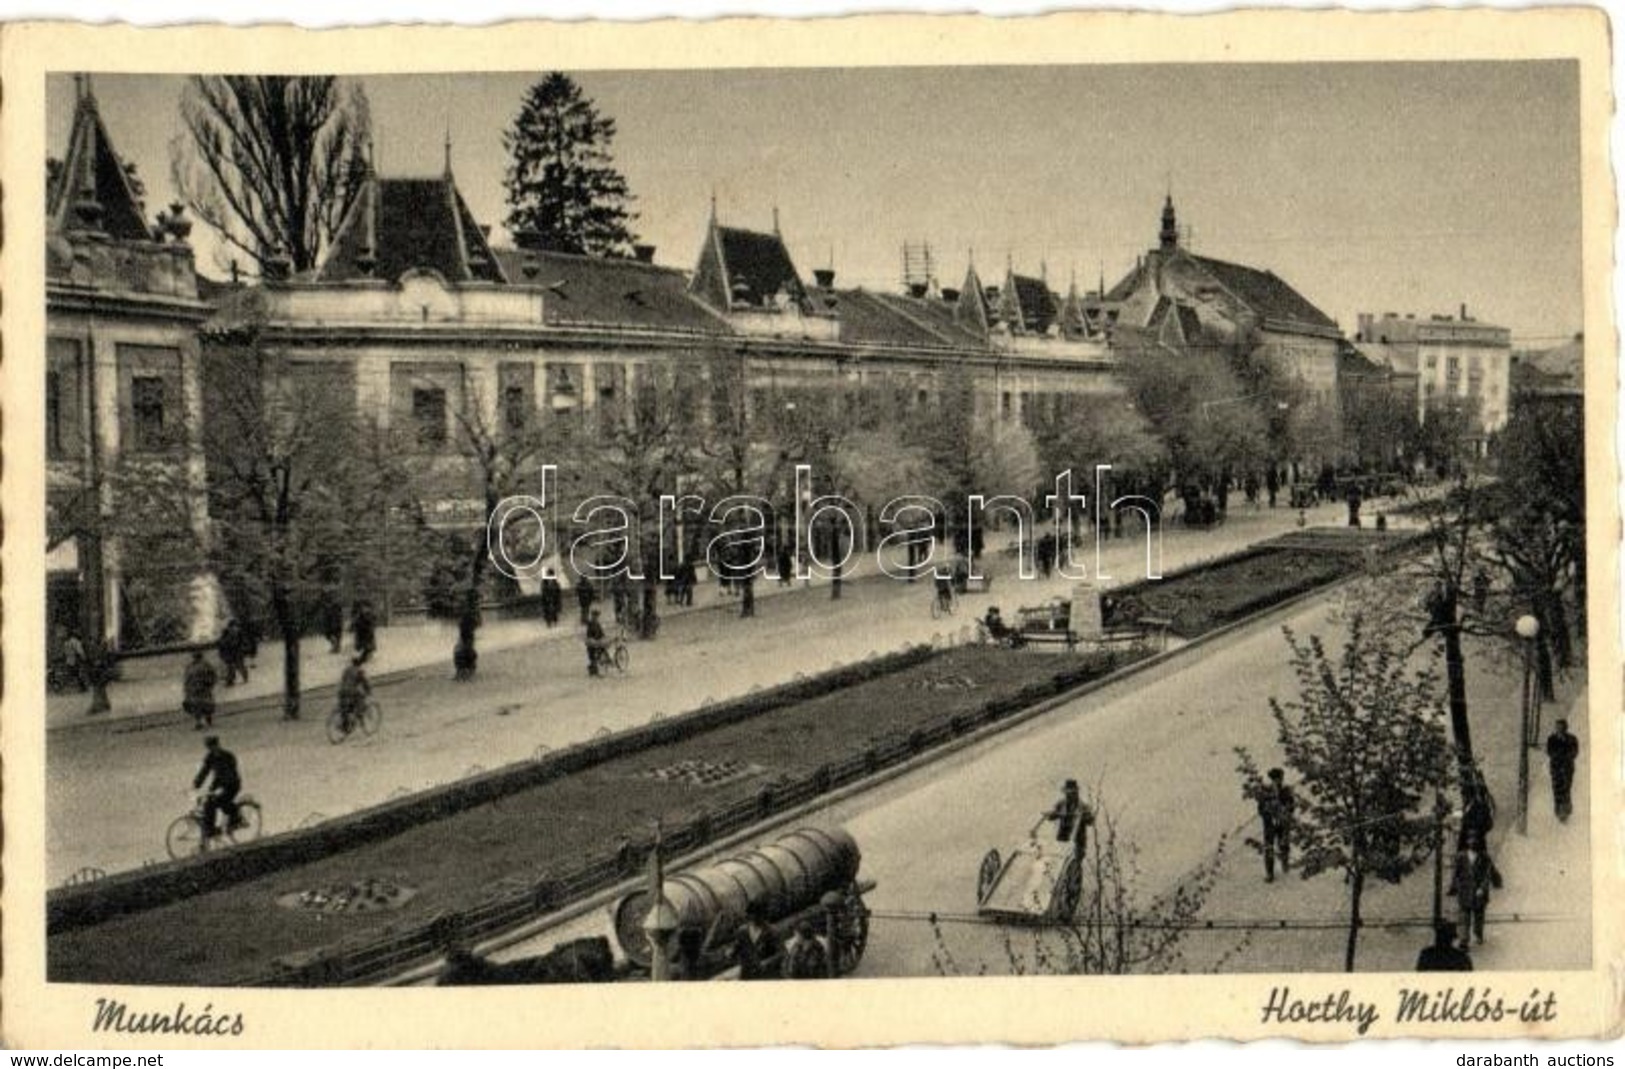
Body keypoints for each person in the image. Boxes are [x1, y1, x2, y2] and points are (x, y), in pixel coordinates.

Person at [192, 735, 243, 840]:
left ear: (217, 745)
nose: (211, 749)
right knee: (208, 803)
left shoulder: (228, 756)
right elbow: (204, 771)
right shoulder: (210, 757)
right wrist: (196, 783)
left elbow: (230, 774)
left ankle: (236, 818)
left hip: (232, 784)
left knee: (220, 802)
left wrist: (220, 788)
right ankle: (211, 829)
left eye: (212, 746)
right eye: (209, 747)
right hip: (219, 784)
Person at [1256, 768, 1295, 882]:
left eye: (1280, 779)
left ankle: (1285, 863)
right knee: (1269, 848)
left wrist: (1285, 812)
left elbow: (1292, 805)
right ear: (1272, 779)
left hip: (1283, 823)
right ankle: (1269, 873)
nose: (1278, 781)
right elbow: (1261, 809)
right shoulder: (1265, 792)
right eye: (1276, 779)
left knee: (1284, 844)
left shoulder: (1286, 790)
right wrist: (1270, 816)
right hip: (1269, 825)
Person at [1451, 844, 1493, 948]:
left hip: (1479, 891)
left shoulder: (1484, 857)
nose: (1473, 844)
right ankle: (1464, 939)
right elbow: (1456, 873)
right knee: (1464, 915)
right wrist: (1455, 886)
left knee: (1478, 915)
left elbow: (1487, 875)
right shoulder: (1461, 856)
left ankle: (1478, 934)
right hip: (1465, 890)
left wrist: (1482, 888)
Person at [734, 904, 783, 981]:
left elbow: (782, 953)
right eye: (751, 917)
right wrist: (731, 952)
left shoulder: (772, 932)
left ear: (762, 916)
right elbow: (737, 947)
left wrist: (767, 962)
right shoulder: (742, 932)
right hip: (747, 975)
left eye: (757, 917)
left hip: (765, 975)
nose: (753, 921)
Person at [1546, 719, 1580, 822]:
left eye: (1561, 728)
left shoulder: (1572, 739)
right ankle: (1558, 810)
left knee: (1566, 789)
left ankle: (1566, 811)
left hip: (1567, 768)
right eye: (1557, 727)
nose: (1559, 729)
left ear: (1565, 728)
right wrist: (1558, 756)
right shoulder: (1551, 739)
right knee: (1556, 789)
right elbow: (1549, 751)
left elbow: (1575, 752)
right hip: (1555, 768)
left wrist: (1565, 757)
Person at [1042, 779, 1092, 849]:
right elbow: (1053, 816)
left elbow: (1090, 822)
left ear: (1076, 793)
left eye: (1072, 793)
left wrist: (1085, 817)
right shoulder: (1061, 803)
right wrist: (1048, 815)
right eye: (1067, 793)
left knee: (1076, 856)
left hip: (1077, 840)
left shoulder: (1083, 806)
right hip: (1063, 838)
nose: (1069, 795)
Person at [183, 649, 219, 730]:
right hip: (203, 688)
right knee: (206, 704)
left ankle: (199, 722)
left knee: (197, 706)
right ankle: (207, 720)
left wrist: (186, 689)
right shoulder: (206, 665)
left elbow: (187, 679)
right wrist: (211, 684)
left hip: (196, 689)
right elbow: (214, 676)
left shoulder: (190, 666)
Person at [336, 655, 371, 732]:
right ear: (360, 663)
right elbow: (365, 683)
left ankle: (345, 725)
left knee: (345, 708)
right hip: (351, 691)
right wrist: (368, 691)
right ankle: (359, 717)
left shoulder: (346, 670)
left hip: (341, 691)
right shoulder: (359, 671)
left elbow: (343, 680)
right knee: (360, 701)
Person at [217, 618, 250, 686]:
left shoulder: (235, 632)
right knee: (235, 666)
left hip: (234, 652)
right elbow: (223, 643)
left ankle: (233, 680)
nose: (236, 627)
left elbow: (223, 643)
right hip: (233, 652)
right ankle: (233, 680)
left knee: (235, 666)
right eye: (235, 625)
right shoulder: (231, 632)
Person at [584, 609, 607, 678]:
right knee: (594, 657)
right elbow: (589, 635)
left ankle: (593, 669)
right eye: (595, 616)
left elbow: (601, 633)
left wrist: (603, 637)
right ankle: (594, 670)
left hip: (596, 643)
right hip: (592, 644)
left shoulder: (597, 624)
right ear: (593, 616)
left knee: (597, 655)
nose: (596, 617)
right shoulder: (590, 624)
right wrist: (593, 640)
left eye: (597, 616)